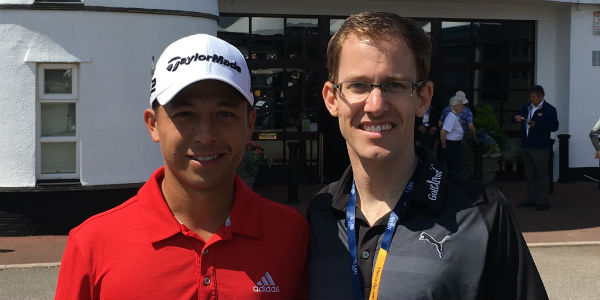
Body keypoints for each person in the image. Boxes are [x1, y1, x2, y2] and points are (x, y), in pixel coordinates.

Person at [307, 12, 547, 300]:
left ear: (423, 98)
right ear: (332, 99)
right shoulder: (318, 217)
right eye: (358, 85)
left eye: (394, 85)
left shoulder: (484, 214)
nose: (375, 105)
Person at [54, 34, 308, 300]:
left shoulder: (291, 235)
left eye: (225, 114)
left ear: (250, 125)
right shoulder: (92, 244)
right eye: (185, 114)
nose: (205, 135)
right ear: (153, 124)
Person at [514, 85, 559, 211]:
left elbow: (555, 126)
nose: (531, 99)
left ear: (541, 96)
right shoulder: (527, 107)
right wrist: (516, 118)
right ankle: (531, 199)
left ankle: (542, 201)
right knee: (530, 174)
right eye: (531, 97)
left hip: (540, 147)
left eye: (533, 97)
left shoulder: (549, 109)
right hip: (526, 145)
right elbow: (515, 116)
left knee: (541, 174)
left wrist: (537, 125)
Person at [440, 92, 466, 175]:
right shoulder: (451, 117)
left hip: (456, 144)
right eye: (460, 105)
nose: (462, 107)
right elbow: (443, 132)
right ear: (454, 106)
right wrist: (444, 147)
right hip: (452, 145)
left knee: (456, 167)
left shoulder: (456, 116)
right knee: (453, 168)